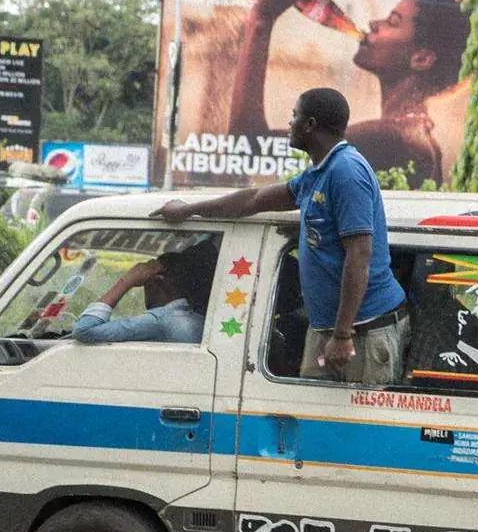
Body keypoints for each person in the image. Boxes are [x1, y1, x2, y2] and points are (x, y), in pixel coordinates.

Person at [152, 87, 408, 382]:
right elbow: (254, 200)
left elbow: (360, 255)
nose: (290, 123)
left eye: (294, 116)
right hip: (329, 329)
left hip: (361, 331)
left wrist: (341, 334)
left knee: (355, 426)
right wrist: (189, 210)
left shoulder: (346, 173)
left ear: (311, 125)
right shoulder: (317, 175)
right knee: (310, 421)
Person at [229, 0, 470, 187]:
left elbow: (250, 148)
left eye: (392, 22)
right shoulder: (413, 135)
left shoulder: (394, 138)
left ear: (422, 59)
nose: (374, 24)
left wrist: (261, 21)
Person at [73, 238, 219, 345]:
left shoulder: (159, 321)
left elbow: (84, 330)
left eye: (144, 282)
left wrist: (126, 281)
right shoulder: (202, 320)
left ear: (158, 280)